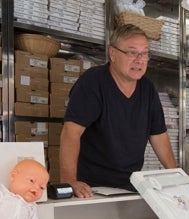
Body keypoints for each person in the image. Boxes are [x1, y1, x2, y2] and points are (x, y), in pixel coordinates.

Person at [60, 24, 177, 198]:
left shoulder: (147, 88)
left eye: (144, 53)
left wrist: (177, 177)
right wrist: (69, 181)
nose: (139, 60)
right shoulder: (93, 82)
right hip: (92, 187)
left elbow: (158, 135)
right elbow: (71, 132)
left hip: (130, 185)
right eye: (131, 52)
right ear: (113, 54)